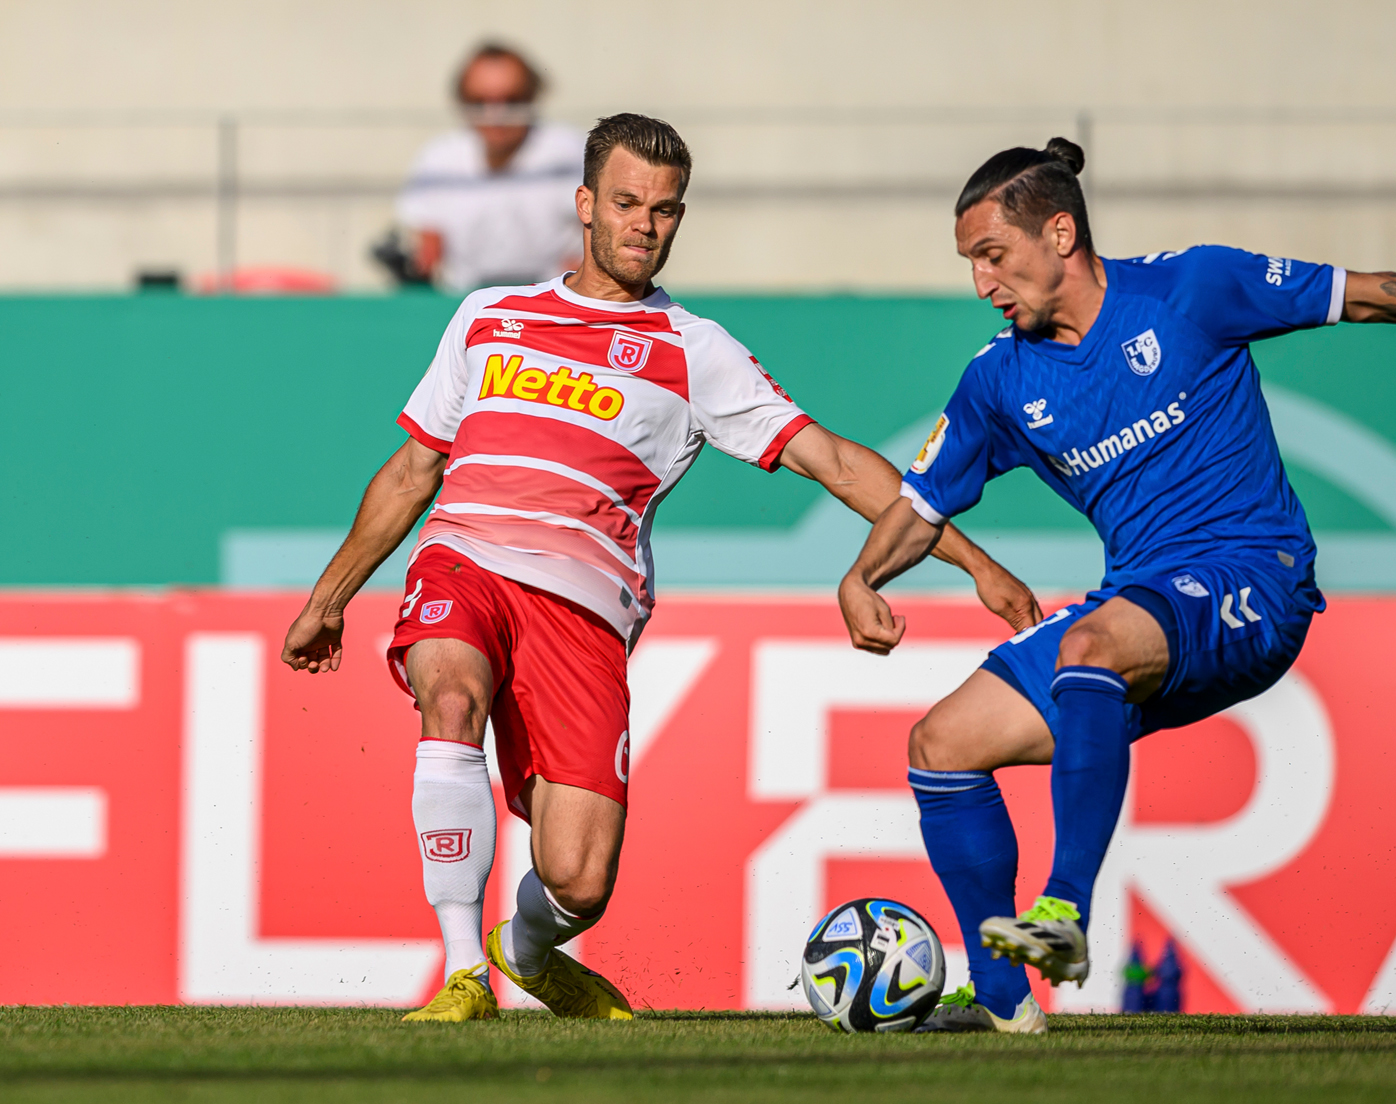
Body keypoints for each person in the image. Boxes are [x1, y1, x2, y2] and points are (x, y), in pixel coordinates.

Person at [836, 137, 1396, 1034]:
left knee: (1090, 646)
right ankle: (1004, 1002)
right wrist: (865, 574)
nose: (983, 282)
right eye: (971, 263)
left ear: (1060, 233)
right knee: (939, 742)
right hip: (1146, 603)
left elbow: (1362, 294)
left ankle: (1064, 911)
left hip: (1258, 580)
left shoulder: (1192, 289)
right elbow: (920, 500)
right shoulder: (999, 379)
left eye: (993, 255)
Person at [284, 114, 1039, 1023]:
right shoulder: (487, 318)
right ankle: (460, 977)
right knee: (451, 697)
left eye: (666, 210)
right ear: (586, 205)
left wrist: (974, 563)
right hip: (466, 559)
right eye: (629, 203)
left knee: (579, 880)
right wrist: (329, 598)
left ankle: (521, 950)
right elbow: (415, 469)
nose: (646, 224)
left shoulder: (694, 350)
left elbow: (835, 461)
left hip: (584, 614)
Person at [385, 44, 584, 290]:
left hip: (555, 301)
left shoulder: (569, 153)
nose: (495, 113)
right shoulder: (438, 159)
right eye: (480, 102)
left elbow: (595, 240)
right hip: (466, 301)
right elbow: (429, 253)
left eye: (511, 100)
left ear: (532, 96)